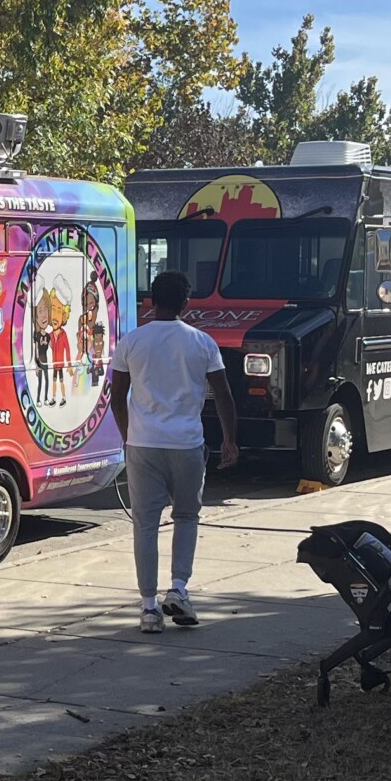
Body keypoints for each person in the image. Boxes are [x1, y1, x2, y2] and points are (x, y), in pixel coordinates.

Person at [109, 270, 240, 633]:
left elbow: (117, 398)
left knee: (145, 525)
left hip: (144, 444)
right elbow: (224, 396)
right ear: (186, 303)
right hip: (187, 444)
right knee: (186, 517)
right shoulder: (202, 342)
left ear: (151, 300)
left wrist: (128, 435)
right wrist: (230, 439)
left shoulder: (132, 342)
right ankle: (179, 589)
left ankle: (149, 608)